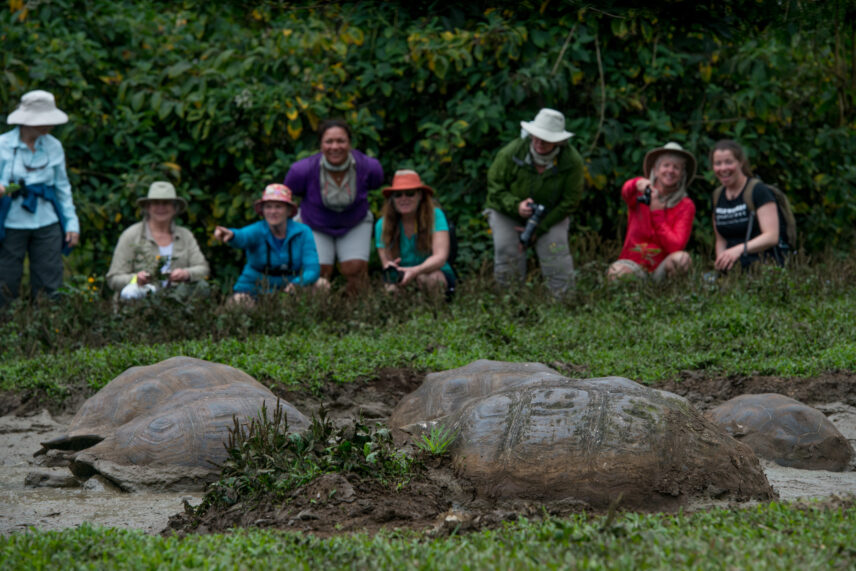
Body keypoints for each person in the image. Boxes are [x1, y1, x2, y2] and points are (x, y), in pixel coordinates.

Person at [485, 108, 584, 296]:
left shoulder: (572, 162)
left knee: (556, 253)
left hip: (551, 214)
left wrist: (540, 228)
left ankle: (564, 307)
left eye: (546, 139)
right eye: (536, 136)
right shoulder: (511, 152)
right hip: (507, 211)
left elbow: (570, 201)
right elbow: (495, 187)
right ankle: (508, 306)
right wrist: (516, 205)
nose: (539, 142)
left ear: (559, 141)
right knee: (507, 250)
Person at [284, 119, 383, 294]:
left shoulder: (369, 167)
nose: (335, 146)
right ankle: (317, 317)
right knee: (318, 272)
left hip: (355, 221)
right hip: (314, 222)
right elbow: (288, 195)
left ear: (350, 143)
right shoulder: (301, 170)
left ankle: (356, 315)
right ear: (321, 145)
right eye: (329, 141)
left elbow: (377, 183)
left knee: (355, 269)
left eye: (341, 141)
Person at [0, 90, 80, 306]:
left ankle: (48, 331)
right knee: (5, 280)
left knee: (49, 281)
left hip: (47, 221)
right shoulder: (3, 145)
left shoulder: (54, 146)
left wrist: (72, 223)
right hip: (10, 222)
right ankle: (7, 333)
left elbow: (62, 187)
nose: (48, 126)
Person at [213, 183, 320, 304]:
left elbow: (312, 268)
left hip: (290, 288)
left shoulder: (303, 232)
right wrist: (231, 235)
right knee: (238, 303)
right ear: (263, 211)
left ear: (289, 210)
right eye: (268, 207)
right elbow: (242, 236)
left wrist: (297, 284)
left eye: (278, 207)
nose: (273, 211)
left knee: (322, 285)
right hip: (254, 287)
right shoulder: (257, 230)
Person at [608, 142, 697, 281]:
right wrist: (636, 182)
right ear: (655, 170)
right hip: (634, 264)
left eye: (676, 167)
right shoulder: (642, 193)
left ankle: (670, 298)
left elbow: (676, 245)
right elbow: (626, 192)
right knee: (616, 272)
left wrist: (657, 214)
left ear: (681, 175)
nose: (670, 171)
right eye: (666, 165)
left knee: (682, 259)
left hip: (661, 268)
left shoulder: (686, 205)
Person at [106, 181, 210, 300]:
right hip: (141, 304)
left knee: (202, 287)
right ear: (148, 207)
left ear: (175, 208)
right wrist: (136, 279)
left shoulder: (186, 236)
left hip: (179, 301)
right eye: (156, 203)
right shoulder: (131, 235)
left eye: (166, 203)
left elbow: (203, 269)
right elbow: (113, 278)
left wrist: (186, 274)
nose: (161, 207)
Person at [375, 170, 454, 297]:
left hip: (434, 272)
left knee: (429, 279)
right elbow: (386, 262)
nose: (404, 198)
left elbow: (440, 257)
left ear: (420, 195)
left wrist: (415, 271)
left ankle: (437, 314)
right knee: (390, 289)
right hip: (403, 277)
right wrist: (391, 267)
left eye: (410, 193)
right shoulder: (382, 224)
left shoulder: (435, 215)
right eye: (398, 195)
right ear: (392, 199)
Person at [711, 140, 786, 271]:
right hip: (734, 269)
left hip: (764, 267)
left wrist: (738, 250)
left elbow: (771, 236)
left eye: (729, 162)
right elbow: (721, 240)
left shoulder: (758, 191)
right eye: (718, 163)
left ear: (740, 162)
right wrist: (722, 262)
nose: (723, 168)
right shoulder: (717, 196)